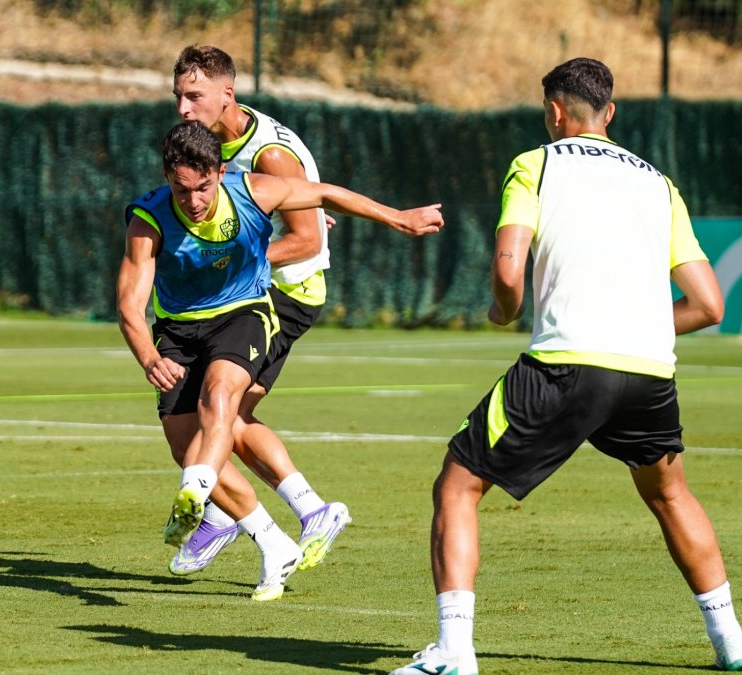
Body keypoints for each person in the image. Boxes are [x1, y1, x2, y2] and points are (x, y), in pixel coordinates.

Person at [391, 58, 742, 675]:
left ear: (554, 111)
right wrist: (643, 324)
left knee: (458, 484)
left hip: (566, 364)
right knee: (670, 493)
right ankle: (732, 641)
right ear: (610, 113)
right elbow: (710, 304)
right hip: (649, 371)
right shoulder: (660, 183)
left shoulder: (537, 164)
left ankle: (453, 651)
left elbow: (509, 270)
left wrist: (504, 311)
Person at [117, 121, 442, 600]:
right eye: (182, 189)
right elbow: (129, 305)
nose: (193, 200)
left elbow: (325, 194)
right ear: (168, 178)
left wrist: (398, 218)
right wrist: (149, 356)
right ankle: (272, 541)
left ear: (220, 172)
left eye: (203, 187)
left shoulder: (253, 190)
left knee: (220, 397)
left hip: (243, 314)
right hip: (179, 330)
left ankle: (195, 490)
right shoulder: (149, 220)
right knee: (184, 442)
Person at [164, 44, 346, 577]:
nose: (183, 108)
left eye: (194, 96)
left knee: (213, 415)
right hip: (250, 294)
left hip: (283, 295)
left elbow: (308, 239)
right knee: (218, 418)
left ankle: (270, 513)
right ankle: (280, 512)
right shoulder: (213, 144)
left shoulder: (268, 154)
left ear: (227, 93)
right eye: (178, 96)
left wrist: (231, 255)